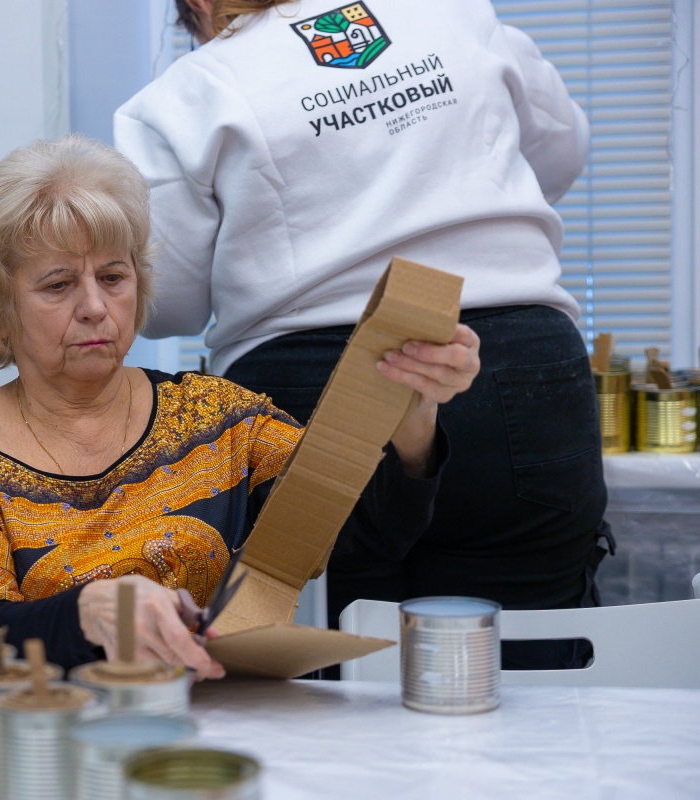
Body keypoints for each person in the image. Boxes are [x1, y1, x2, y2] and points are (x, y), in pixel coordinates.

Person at [114, 0, 611, 669]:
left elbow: (165, 300)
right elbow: (560, 156)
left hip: (309, 387)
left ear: (199, 6)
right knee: (525, 670)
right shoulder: (454, 15)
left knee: (333, 672)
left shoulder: (184, 95)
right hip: (519, 370)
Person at [0, 135, 479, 677]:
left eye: (112, 276)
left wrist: (413, 418)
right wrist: (86, 613)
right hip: (48, 742)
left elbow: (362, 536)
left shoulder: (218, 418)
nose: (95, 307)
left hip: (212, 721)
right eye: (57, 285)